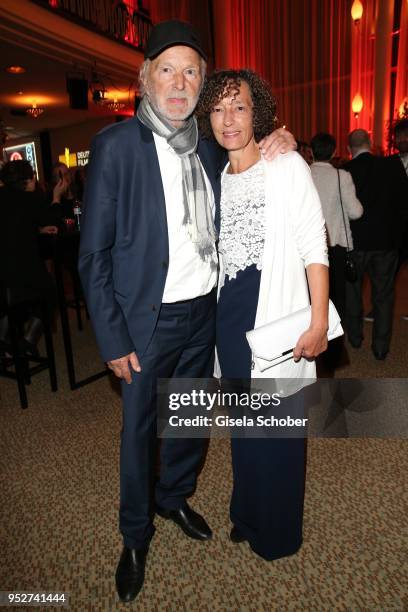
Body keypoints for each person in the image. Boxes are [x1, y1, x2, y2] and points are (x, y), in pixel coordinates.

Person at [78, 20, 295, 603]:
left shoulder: (206, 146)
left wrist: (282, 138)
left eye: (191, 70)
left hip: (206, 313)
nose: (180, 81)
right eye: (167, 68)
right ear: (145, 76)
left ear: (201, 82)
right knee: (138, 432)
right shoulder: (115, 146)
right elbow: (93, 254)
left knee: (192, 421)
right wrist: (111, 336)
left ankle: (173, 499)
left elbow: (256, 162)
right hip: (145, 323)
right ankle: (134, 533)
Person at [196, 69, 329, 561]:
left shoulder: (286, 164)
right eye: (218, 108)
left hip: (276, 314)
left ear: (260, 113)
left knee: (279, 429)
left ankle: (277, 531)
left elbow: (315, 245)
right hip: (228, 321)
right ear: (207, 116)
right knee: (244, 427)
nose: (229, 119)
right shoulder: (214, 178)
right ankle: (246, 512)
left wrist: (317, 322)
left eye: (240, 107)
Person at [344, 129, 407, 360]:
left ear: (349, 150)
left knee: (353, 292)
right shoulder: (392, 167)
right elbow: (403, 204)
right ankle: (380, 347)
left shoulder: (345, 171)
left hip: (355, 243)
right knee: (384, 295)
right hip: (386, 242)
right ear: (370, 143)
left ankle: (355, 336)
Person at [0, 160, 58, 356]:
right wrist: (56, 198)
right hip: (21, 273)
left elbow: (13, 226)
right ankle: (27, 341)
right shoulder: (30, 199)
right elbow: (53, 221)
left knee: (10, 300)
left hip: (3, 276)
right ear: (26, 180)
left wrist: (36, 229)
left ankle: (4, 343)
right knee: (49, 293)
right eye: (33, 176)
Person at [310, 132, 363, 321]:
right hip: (335, 245)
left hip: (307, 246)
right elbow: (356, 212)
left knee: (311, 296)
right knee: (337, 294)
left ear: (311, 152)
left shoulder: (303, 172)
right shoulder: (341, 176)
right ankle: (335, 337)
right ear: (333, 152)